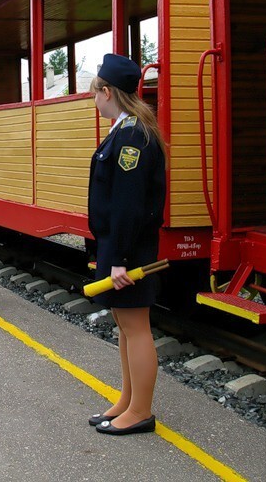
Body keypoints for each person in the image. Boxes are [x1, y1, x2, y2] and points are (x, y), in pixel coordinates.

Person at [86, 54, 166, 436]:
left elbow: (128, 204)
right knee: (124, 325)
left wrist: (118, 258)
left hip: (128, 250)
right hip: (117, 246)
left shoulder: (132, 136)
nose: (93, 101)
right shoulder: (125, 130)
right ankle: (128, 401)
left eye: (94, 94)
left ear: (107, 92)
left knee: (136, 328)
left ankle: (141, 412)